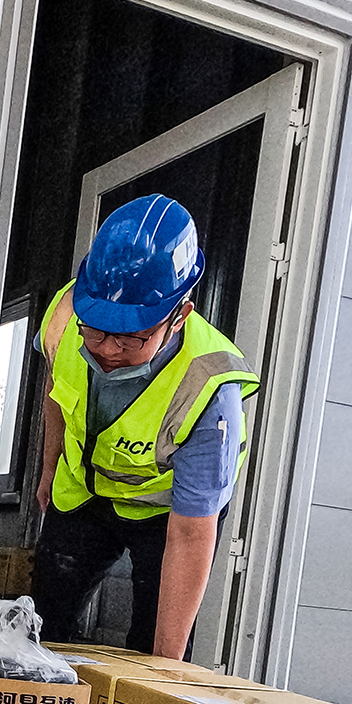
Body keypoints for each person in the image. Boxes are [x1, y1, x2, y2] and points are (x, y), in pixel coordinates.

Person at [30, 194, 260, 659]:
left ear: (179, 317)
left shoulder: (210, 388)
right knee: (41, 631)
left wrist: (161, 683)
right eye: (95, 331)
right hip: (83, 492)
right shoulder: (66, 314)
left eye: (132, 337)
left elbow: (193, 533)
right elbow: (57, 387)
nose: (108, 350)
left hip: (166, 518)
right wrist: (49, 465)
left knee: (154, 651)